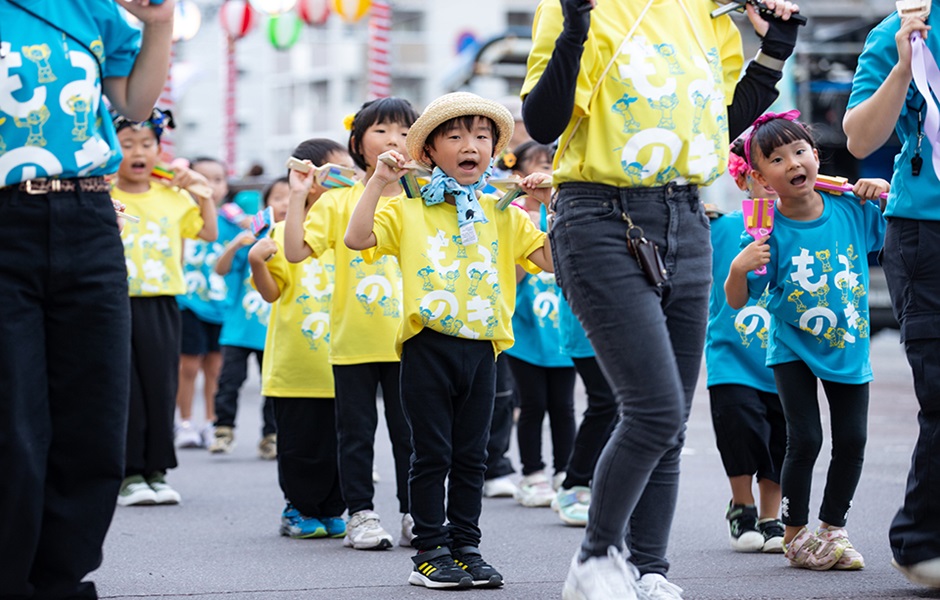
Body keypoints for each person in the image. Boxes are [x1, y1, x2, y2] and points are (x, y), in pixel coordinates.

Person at [521, 0, 803, 597]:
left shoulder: (705, 13)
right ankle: (595, 559)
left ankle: (648, 569)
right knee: (651, 408)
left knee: (669, 419)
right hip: (597, 212)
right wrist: (575, 27)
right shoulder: (583, 6)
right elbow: (543, 123)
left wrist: (774, 50)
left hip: (686, 214)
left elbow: (715, 124)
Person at [345, 91, 554, 590]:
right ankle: (430, 552)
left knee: (472, 456)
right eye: (456, 136)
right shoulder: (409, 206)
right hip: (428, 346)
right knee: (432, 453)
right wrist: (379, 182)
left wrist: (550, 204)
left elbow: (553, 263)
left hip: (483, 349)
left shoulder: (504, 210)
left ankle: (466, 547)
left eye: (482, 136)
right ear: (430, 152)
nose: (471, 145)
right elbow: (356, 239)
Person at [0, 1, 173, 596]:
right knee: (14, 421)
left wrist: (159, 23)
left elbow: (133, 106)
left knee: (95, 419)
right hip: (6, 212)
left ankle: (59, 582)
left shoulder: (96, 9)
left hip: (89, 214)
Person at [724, 112, 889, 571]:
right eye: (776, 159)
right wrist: (739, 268)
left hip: (848, 343)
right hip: (792, 346)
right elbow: (738, 301)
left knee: (852, 439)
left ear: (816, 156)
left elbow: (892, 231)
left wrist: (878, 194)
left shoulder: (850, 208)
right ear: (760, 177)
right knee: (806, 439)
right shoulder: (764, 229)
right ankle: (795, 535)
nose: (792, 162)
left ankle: (833, 527)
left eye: (800, 151)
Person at [282, 101, 416, 551]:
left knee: (413, 437)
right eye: (382, 130)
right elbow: (297, 251)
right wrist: (299, 194)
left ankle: (415, 514)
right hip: (354, 339)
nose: (394, 139)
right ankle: (360, 514)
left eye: (403, 131)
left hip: (413, 340)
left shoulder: (427, 196)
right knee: (355, 435)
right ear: (358, 145)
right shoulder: (339, 200)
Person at [843, 8, 940, 589]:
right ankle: (920, 541)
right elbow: (859, 137)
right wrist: (904, 66)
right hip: (927, 233)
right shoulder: (903, 27)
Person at [112, 108, 217, 508]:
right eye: (127, 145)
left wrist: (201, 192)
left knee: (160, 387)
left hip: (162, 303)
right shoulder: (103, 193)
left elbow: (206, 231)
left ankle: (157, 471)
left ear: (159, 149)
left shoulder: (172, 196)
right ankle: (128, 474)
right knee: (126, 390)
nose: (138, 152)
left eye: (146, 144)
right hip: (114, 303)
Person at [249, 139, 348, 540]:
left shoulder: (353, 231)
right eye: (337, 174)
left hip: (344, 362)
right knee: (299, 444)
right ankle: (299, 508)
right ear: (309, 176)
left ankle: (333, 507)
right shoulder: (280, 231)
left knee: (343, 443)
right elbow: (272, 294)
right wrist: (257, 260)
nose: (347, 182)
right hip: (295, 365)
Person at [707, 139, 786, 553]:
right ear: (744, 179)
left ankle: (772, 516)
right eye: (761, 170)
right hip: (730, 353)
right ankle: (742, 506)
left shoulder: (801, 222)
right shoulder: (720, 225)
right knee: (738, 427)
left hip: (786, 355)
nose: (772, 179)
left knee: (782, 435)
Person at [498, 141, 577, 508]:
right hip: (525, 334)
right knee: (531, 405)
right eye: (536, 164)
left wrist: (549, 206)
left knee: (563, 406)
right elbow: (511, 278)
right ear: (518, 175)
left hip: (561, 331)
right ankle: (532, 474)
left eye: (551, 164)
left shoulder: (562, 213)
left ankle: (566, 472)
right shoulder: (509, 215)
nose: (543, 170)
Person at [210, 178, 289, 458]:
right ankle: (223, 430)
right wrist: (235, 245)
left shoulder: (298, 240)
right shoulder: (255, 237)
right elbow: (220, 269)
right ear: (266, 205)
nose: (286, 203)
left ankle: (271, 436)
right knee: (229, 381)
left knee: (273, 385)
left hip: (276, 329)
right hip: (239, 328)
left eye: (293, 197)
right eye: (278, 197)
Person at [175, 157, 232, 449]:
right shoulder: (180, 213)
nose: (212, 185)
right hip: (187, 302)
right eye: (204, 178)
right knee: (187, 366)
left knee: (215, 366)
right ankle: (184, 421)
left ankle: (211, 421)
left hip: (220, 305)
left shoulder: (231, 222)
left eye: (219, 179)